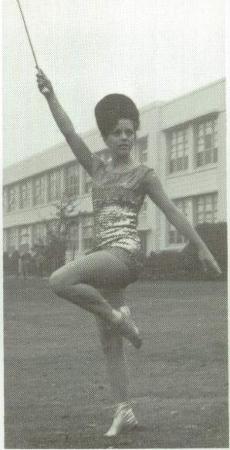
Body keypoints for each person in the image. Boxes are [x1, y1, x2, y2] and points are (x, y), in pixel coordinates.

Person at [37, 70, 221, 437]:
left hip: (126, 257)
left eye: (129, 131)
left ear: (134, 134)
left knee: (59, 280)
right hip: (106, 256)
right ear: (106, 138)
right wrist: (50, 96)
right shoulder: (97, 169)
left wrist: (203, 249)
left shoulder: (144, 174)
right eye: (117, 132)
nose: (124, 137)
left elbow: (172, 211)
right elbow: (69, 133)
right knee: (109, 342)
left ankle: (119, 317)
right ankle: (125, 410)